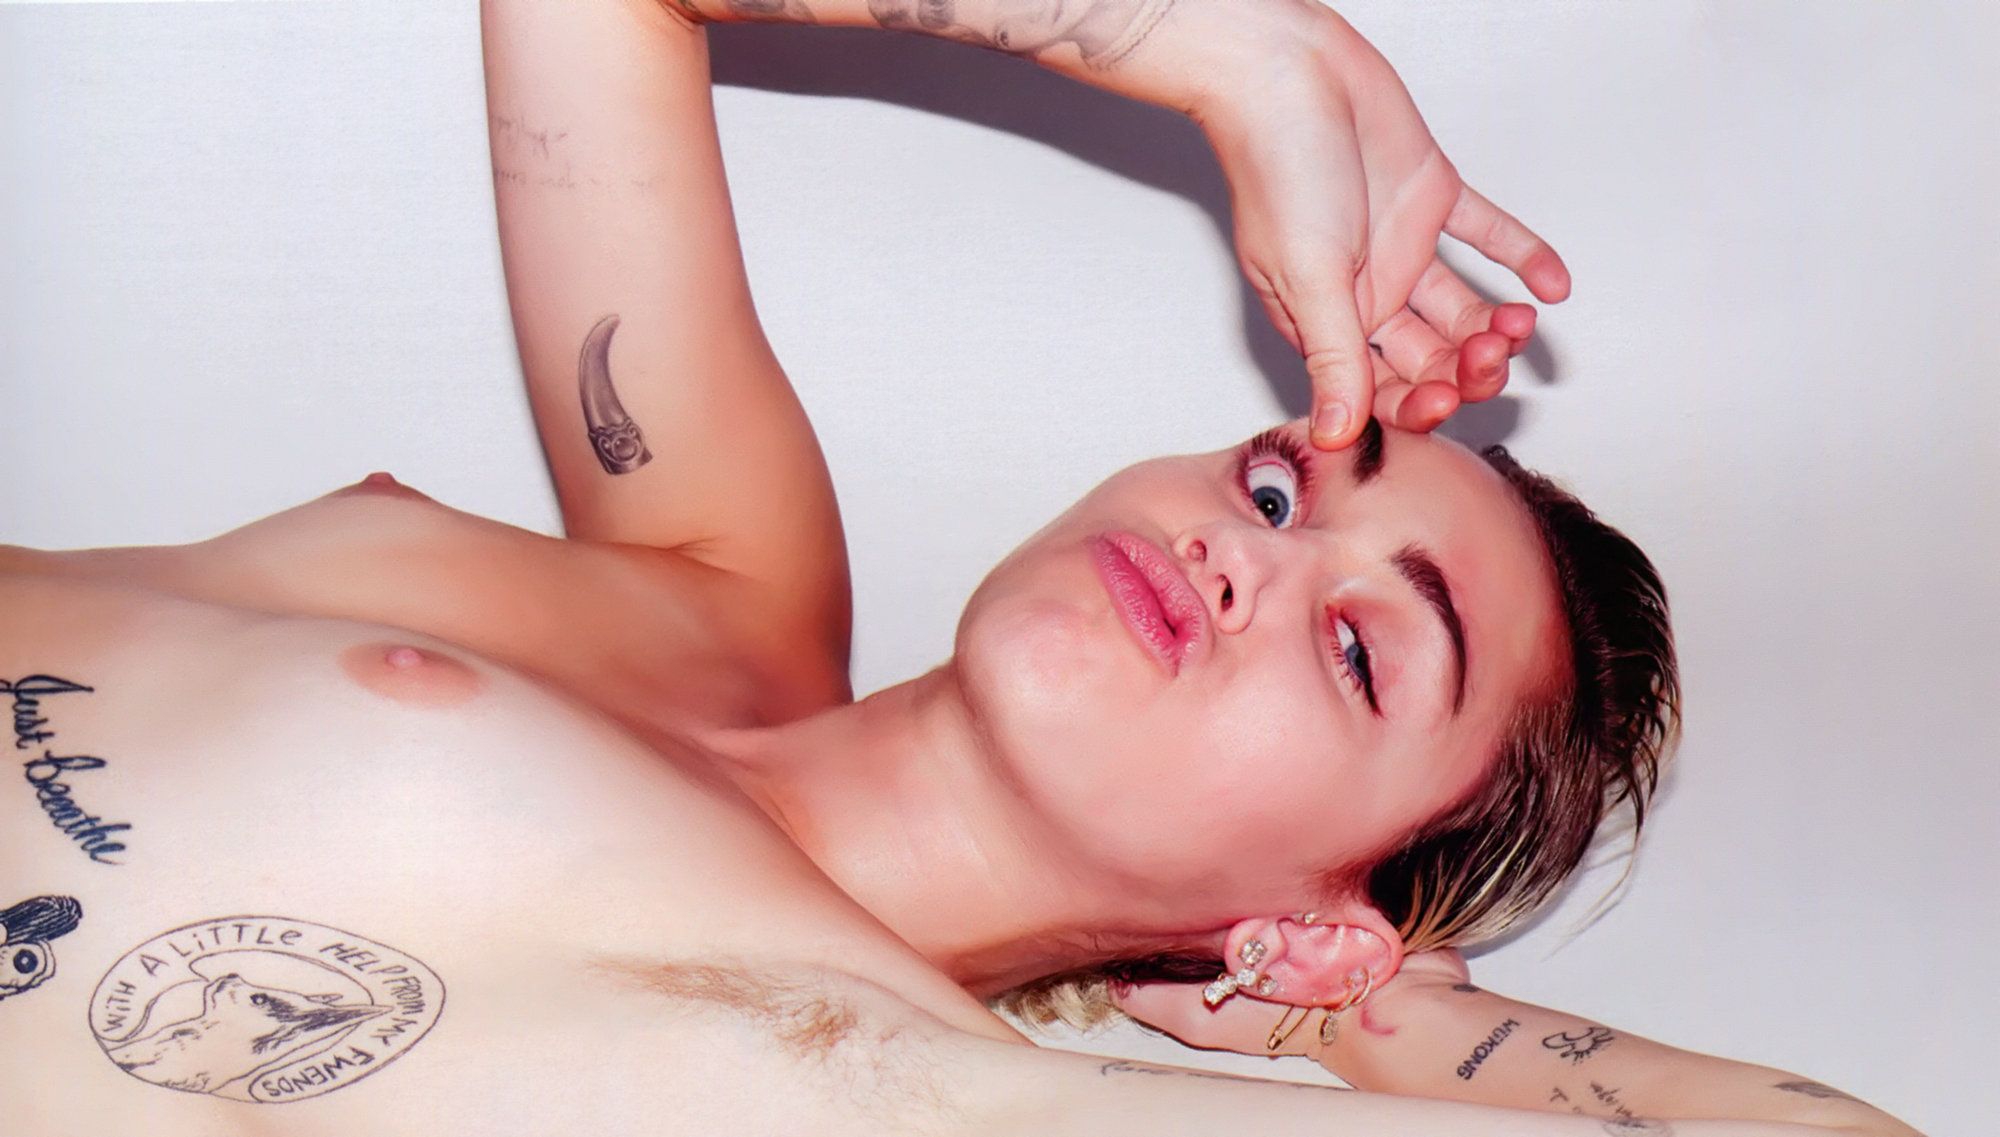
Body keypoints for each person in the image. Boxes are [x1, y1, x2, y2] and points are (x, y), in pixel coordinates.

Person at [0, 1, 1922, 1134]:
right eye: (1278, 490)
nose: (1249, 559)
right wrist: (1200, 37)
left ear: (1320, 913)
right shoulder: (723, 568)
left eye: (1358, 651)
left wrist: (1367, 1008)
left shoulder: (852, 1068)